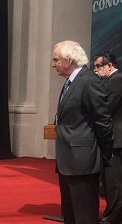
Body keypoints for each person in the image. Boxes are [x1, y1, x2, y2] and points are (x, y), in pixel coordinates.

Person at [52, 40, 114, 224]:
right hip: (68, 162)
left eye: (56, 60)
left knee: (84, 216)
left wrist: (101, 154)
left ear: (69, 59)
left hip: (83, 163)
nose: (53, 64)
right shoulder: (70, 82)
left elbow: (103, 122)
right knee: (71, 216)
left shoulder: (88, 81)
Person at [93, 51, 122, 224]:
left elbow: (106, 109)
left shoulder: (117, 80)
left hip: (116, 138)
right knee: (111, 181)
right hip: (113, 138)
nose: (95, 70)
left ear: (109, 66)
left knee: (114, 182)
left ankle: (112, 218)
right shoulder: (110, 80)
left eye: (98, 66)